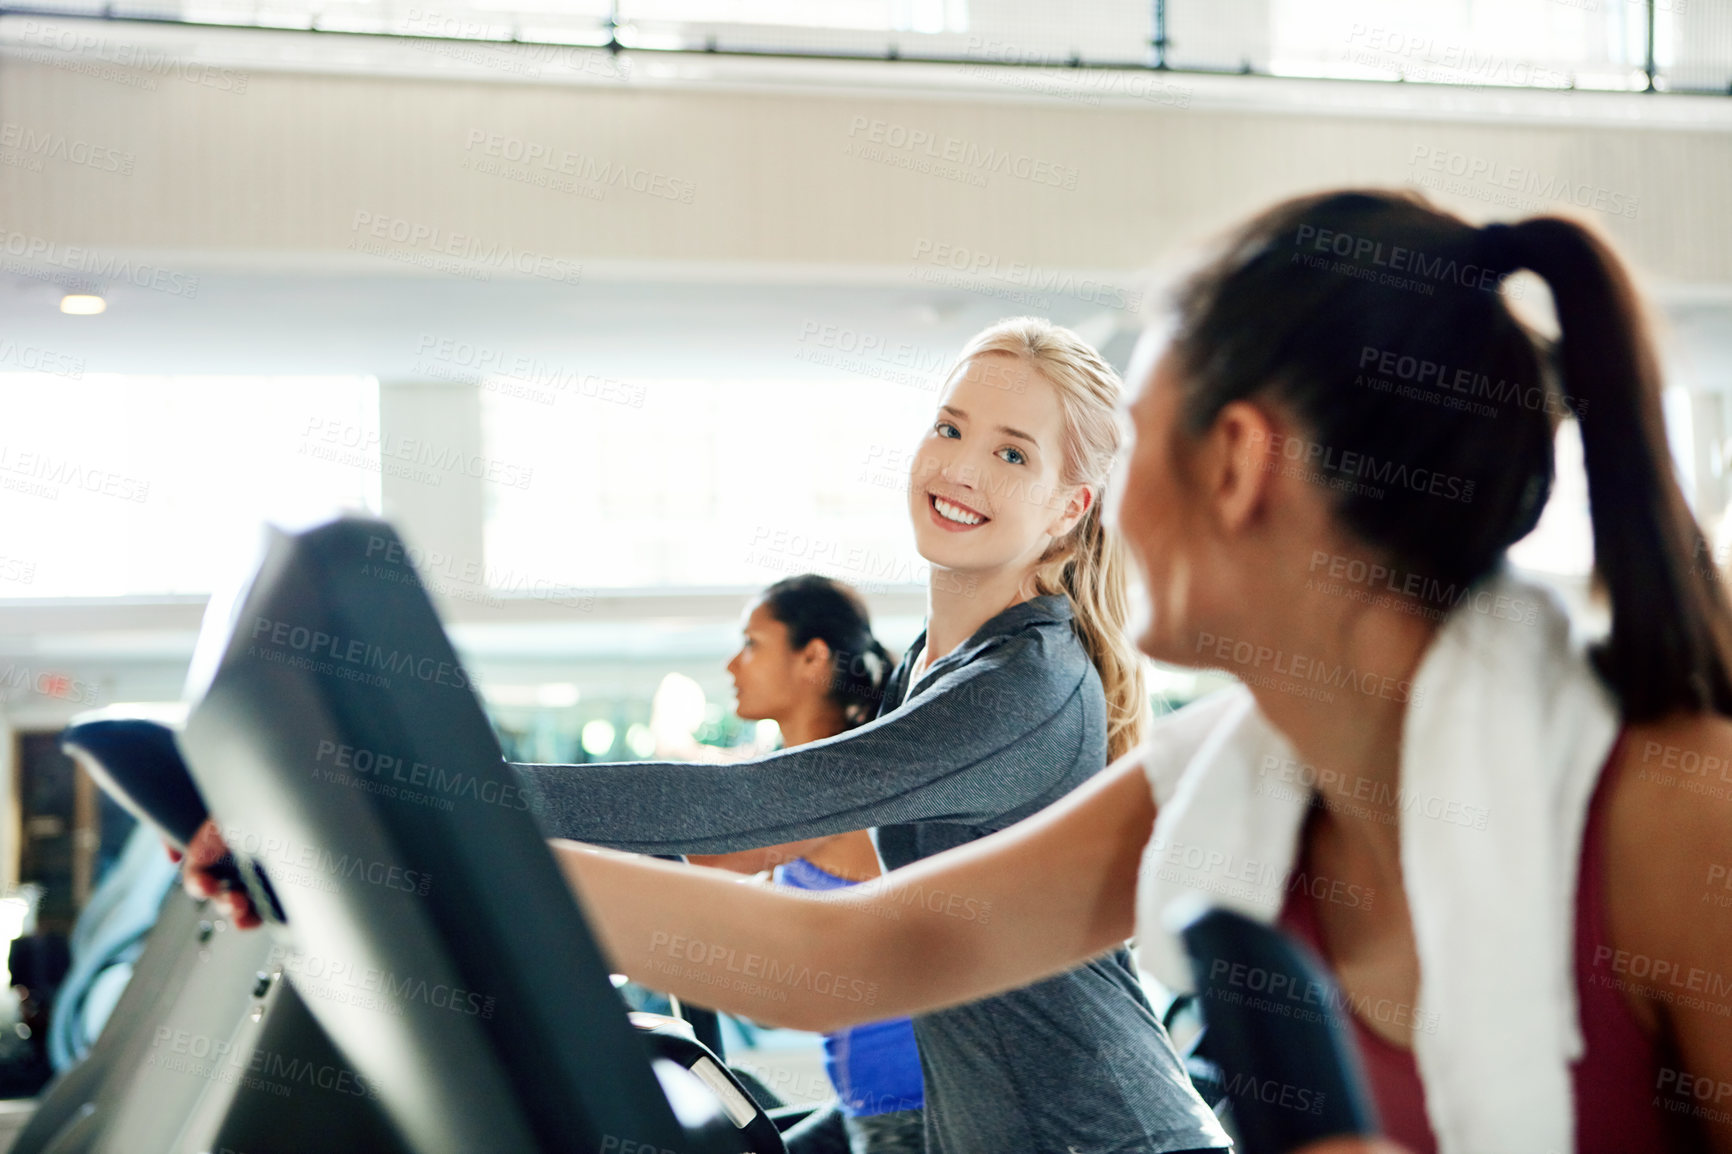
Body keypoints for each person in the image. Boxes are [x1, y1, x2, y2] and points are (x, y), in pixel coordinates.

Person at [546, 191, 1732, 1154]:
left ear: (1233, 461)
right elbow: (855, 956)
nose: (1107, 504)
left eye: (1133, 436)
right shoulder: (1233, 776)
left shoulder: (1672, 816)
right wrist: (428, 833)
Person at [182, 317, 1233, 1154]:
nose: (962, 467)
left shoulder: (1028, 682)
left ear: (1067, 508)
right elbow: (747, 840)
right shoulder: (937, 662)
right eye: (951, 427)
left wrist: (419, 793)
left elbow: (747, 803)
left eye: (1013, 452)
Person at [686, 572, 925, 1154]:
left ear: (812, 658)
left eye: (752, 644)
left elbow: (702, 858)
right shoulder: (808, 781)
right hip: (863, 1100)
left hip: (910, 1113)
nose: (731, 666)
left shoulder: (831, 785)